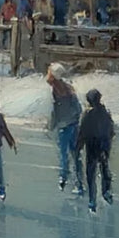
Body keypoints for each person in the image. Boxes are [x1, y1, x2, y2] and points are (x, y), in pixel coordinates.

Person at [47, 62, 84, 193]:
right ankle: (78, 182)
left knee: (64, 154)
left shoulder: (55, 91)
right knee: (75, 154)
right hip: (73, 125)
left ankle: (64, 178)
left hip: (64, 127)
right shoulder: (68, 88)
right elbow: (78, 108)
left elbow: (54, 112)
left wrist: (51, 126)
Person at [77, 88, 116, 212]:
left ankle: (92, 200)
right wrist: (108, 141)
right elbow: (111, 130)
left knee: (91, 172)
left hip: (92, 144)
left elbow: (82, 131)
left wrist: (79, 145)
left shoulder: (88, 114)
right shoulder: (105, 112)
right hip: (104, 144)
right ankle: (106, 192)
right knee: (104, 168)